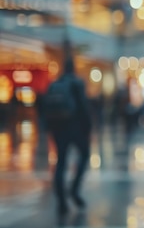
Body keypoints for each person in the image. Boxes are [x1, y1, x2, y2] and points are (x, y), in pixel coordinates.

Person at [46, 57, 92, 215]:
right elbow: (83, 107)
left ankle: (61, 202)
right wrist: (88, 128)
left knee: (61, 162)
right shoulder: (76, 83)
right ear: (74, 68)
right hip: (75, 128)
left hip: (58, 129)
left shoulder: (55, 84)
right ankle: (74, 189)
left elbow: (46, 109)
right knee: (85, 154)